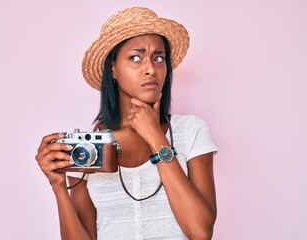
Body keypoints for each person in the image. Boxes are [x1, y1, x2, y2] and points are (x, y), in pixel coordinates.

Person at [35, 7, 218, 240]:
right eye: (135, 57)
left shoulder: (191, 131)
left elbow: (201, 232)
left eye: (158, 58)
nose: (151, 69)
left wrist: (155, 138)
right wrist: (58, 186)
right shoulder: (89, 149)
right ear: (113, 68)